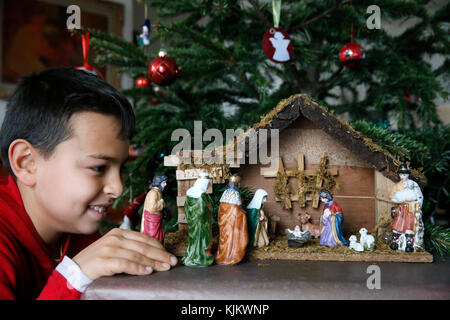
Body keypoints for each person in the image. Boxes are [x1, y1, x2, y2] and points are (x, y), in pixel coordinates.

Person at [0, 67, 177, 300]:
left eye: (120, 168)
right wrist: (74, 276)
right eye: (98, 168)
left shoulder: (78, 230)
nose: (118, 188)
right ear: (27, 162)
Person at [182, 172, 214, 267]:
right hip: (201, 224)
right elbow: (202, 211)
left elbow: (186, 207)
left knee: (193, 240)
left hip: (192, 222)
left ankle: (191, 256)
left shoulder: (190, 192)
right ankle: (200, 257)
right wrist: (208, 208)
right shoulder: (201, 195)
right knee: (201, 240)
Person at [389, 164, 424, 252]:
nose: (402, 176)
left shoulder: (413, 184)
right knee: (398, 225)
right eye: (401, 174)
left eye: (404, 174)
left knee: (409, 226)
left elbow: (419, 196)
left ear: (408, 174)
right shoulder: (397, 185)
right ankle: (395, 242)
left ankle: (409, 244)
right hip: (401, 210)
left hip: (410, 209)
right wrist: (398, 199)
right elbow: (391, 196)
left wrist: (416, 202)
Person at [215, 174, 248, 265]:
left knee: (226, 241)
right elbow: (235, 212)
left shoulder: (225, 195)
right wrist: (243, 214)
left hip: (226, 224)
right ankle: (230, 257)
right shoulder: (234, 195)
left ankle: (223, 256)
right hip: (232, 226)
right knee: (230, 241)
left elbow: (222, 211)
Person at [140, 174, 167, 243]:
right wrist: (161, 203)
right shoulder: (153, 193)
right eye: (164, 183)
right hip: (152, 220)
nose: (165, 184)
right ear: (159, 183)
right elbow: (152, 207)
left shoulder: (158, 192)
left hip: (157, 219)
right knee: (153, 238)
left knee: (159, 237)